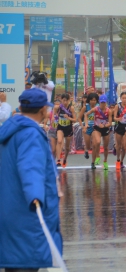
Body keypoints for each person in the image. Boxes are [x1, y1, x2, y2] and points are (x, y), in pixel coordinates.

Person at [0, 89, 63, 272]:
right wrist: (35, 196)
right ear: (43, 110)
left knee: (15, 261)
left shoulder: (12, 130)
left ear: (20, 106)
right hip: (27, 212)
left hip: (11, 208)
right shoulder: (31, 134)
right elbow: (30, 167)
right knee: (26, 263)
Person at [85, 94, 112, 170]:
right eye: (101, 102)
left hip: (105, 128)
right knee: (97, 142)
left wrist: (105, 126)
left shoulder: (109, 111)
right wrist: (86, 124)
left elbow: (110, 122)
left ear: (106, 102)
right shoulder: (96, 109)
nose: (103, 104)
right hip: (96, 128)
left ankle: (105, 161)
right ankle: (95, 160)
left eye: (104, 102)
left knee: (106, 147)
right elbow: (86, 115)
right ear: (99, 102)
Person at [55, 93, 76, 168]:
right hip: (60, 127)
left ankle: (65, 159)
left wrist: (68, 118)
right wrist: (55, 119)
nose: (65, 102)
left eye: (67, 100)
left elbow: (75, 120)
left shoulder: (71, 108)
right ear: (61, 100)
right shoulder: (58, 108)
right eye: (64, 100)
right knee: (59, 141)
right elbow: (54, 116)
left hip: (68, 128)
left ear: (69, 100)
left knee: (67, 147)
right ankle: (58, 160)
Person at [77, 93, 97, 160]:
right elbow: (79, 118)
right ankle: (86, 149)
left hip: (95, 127)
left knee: (94, 144)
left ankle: (93, 162)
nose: (93, 102)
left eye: (94, 100)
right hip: (87, 127)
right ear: (89, 100)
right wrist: (83, 126)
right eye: (91, 100)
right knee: (88, 146)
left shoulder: (98, 107)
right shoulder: (85, 107)